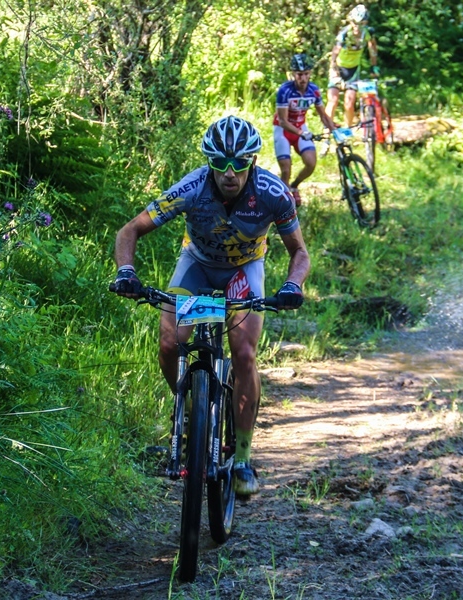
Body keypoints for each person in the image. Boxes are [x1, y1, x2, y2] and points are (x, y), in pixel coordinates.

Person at [112, 115, 310, 496]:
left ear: (252, 161)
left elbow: (299, 252)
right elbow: (130, 230)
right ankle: (189, 414)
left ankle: (242, 458)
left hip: (243, 270)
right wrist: (126, 272)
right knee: (170, 344)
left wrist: (292, 284)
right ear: (209, 162)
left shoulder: (273, 193)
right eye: (219, 163)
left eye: (239, 163)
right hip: (198, 267)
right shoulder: (192, 186)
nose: (229, 173)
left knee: (244, 354)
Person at [273, 53, 336, 207]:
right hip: (283, 130)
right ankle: (284, 205)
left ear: (310, 74)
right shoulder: (285, 90)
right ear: (293, 74)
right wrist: (302, 133)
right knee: (286, 170)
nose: (303, 78)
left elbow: (323, 115)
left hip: (301, 128)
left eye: (306, 74)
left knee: (310, 163)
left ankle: (294, 186)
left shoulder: (314, 90)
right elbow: (283, 121)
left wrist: (334, 129)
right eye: (299, 74)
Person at [323, 3, 379, 140]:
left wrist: (374, 66)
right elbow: (334, 54)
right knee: (333, 101)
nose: (357, 27)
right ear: (351, 21)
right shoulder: (344, 34)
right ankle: (326, 132)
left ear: (365, 23)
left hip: (353, 71)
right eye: (354, 23)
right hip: (338, 68)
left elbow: (373, 49)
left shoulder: (368, 33)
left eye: (361, 24)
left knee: (349, 103)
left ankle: (346, 133)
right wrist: (334, 71)